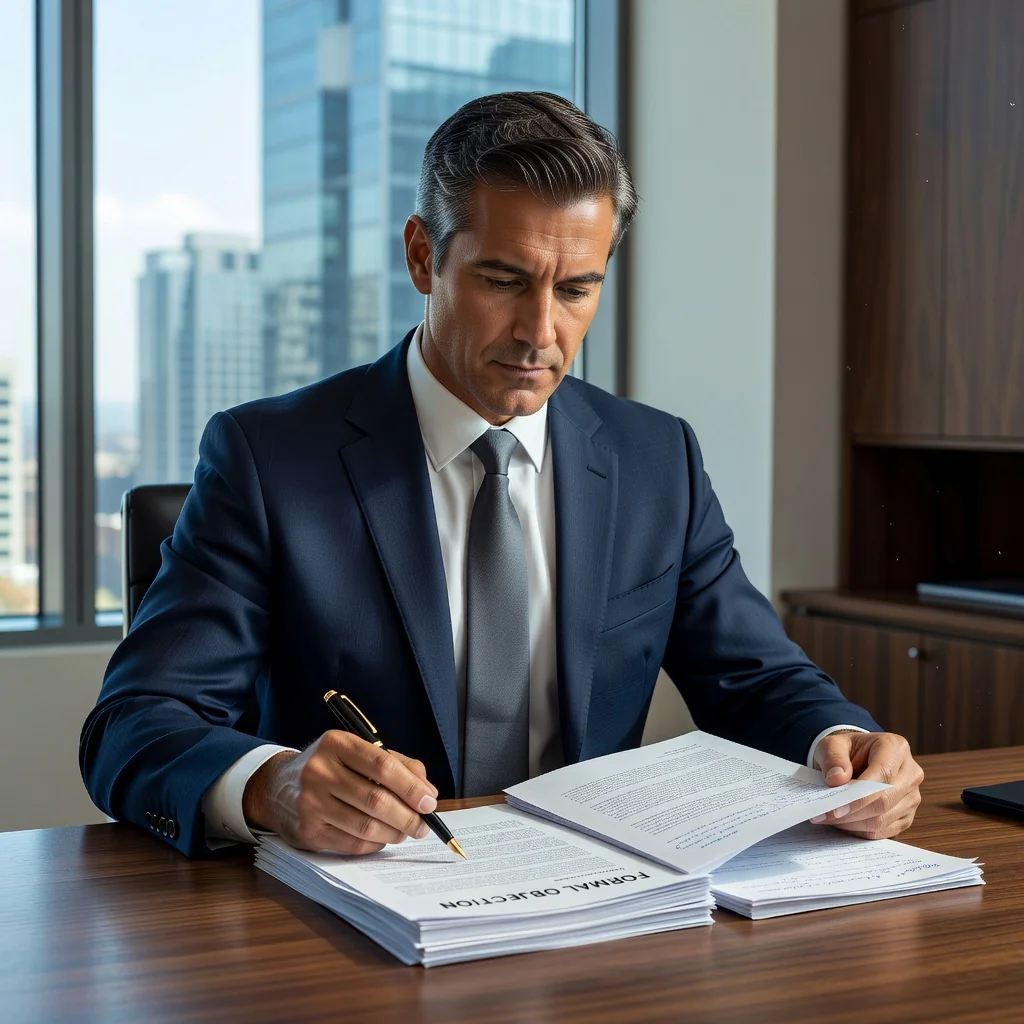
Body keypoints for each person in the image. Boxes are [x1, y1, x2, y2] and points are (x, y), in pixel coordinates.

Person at [80, 92, 923, 859]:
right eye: (502, 281)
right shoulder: (268, 458)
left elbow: (757, 678)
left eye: (577, 289)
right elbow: (135, 725)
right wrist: (273, 785)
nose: (539, 331)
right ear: (423, 257)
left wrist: (840, 745)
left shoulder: (655, 458)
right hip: (355, 913)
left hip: (600, 902)